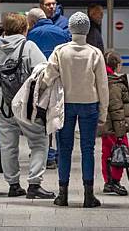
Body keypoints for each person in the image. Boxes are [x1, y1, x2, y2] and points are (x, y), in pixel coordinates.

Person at [40, 12, 109, 208]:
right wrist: (103, 113)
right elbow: (103, 86)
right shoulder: (95, 53)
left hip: (66, 105)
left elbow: (48, 77)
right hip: (90, 104)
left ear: (70, 29)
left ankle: (63, 195)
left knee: (64, 149)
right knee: (88, 149)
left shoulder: (60, 51)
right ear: (87, 30)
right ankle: (89, 196)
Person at [0, 13, 55, 199]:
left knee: (8, 145)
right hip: (25, 99)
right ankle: (34, 184)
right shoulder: (29, 46)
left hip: (2, 100)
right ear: (25, 29)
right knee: (39, 140)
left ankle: (13, 185)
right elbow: (44, 71)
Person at [26, 7, 71, 169]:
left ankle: (47, 155)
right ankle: (60, 155)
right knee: (59, 118)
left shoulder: (30, 36)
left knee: (42, 120)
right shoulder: (62, 32)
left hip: (40, 83)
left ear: (32, 22)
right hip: (61, 81)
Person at [100, 51, 129, 196]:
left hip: (105, 124)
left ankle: (108, 181)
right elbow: (117, 109)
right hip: (115, 125)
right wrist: (121, 131)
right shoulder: (114, 83)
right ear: (117, 65)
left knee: (106, 152)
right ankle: (114, 181)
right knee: (119, 150)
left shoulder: (102, 79)